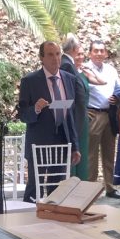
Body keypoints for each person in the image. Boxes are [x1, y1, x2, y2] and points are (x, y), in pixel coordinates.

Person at [16, 40, 83, 200]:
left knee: (57, 187)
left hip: (61, 141)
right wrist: (36, 109)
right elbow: (22, 115)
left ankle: (52, 219)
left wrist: (75, 145)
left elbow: (70, 116)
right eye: (50, 55)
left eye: (58, 54)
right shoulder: (30, 81)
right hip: (38, 142)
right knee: (34, 186)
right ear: (41, 58)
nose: (55, 58)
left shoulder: (69, 79)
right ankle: (28, 219)